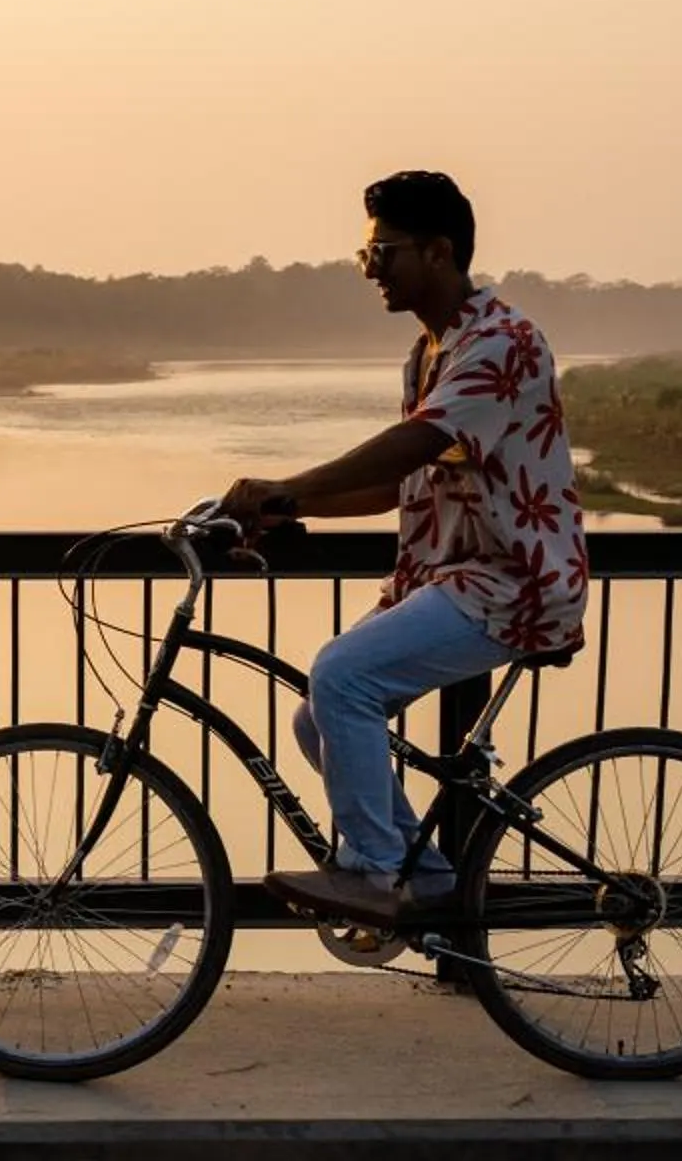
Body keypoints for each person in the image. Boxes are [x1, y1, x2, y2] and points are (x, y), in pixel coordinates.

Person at [217, 169, 587, 929]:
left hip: (511, 580)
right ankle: (436, 881)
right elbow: (400, 485)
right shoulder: (430, 352)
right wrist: (292, 504)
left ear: (439, 252)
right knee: (317, 717)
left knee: (341, 677)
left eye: (383, 253)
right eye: (368, 257)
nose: (373, 271)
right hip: (451, 577)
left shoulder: (501, 343)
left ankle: (379, 872)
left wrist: (284, 485)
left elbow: (411, 444)